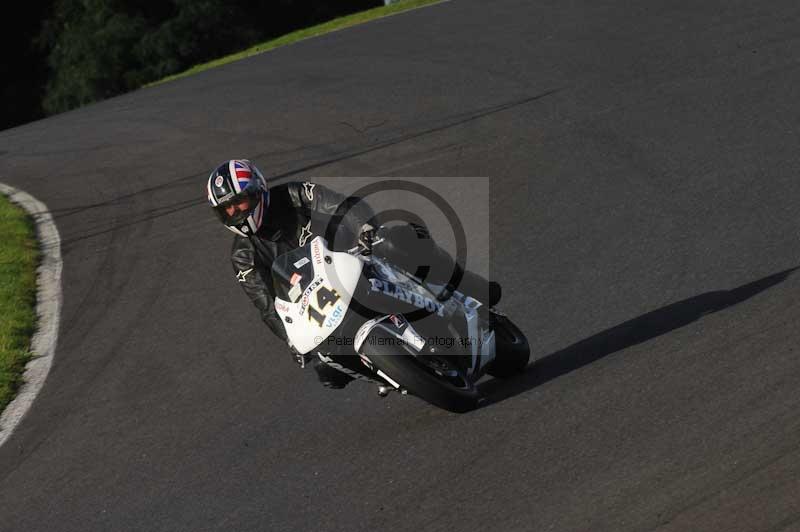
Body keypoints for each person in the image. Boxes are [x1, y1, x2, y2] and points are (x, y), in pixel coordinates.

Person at [206, 159, 500, 388]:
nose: (236, 213)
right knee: (326, 371)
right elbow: (268, 306)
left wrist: (365, 228)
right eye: (227, 209)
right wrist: (292, 341)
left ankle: (466, 282)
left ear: (258, 191)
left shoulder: (294, 194)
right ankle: (395, 376)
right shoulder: (242, 257)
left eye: (239, 202)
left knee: (400, 239)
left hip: (357, 258)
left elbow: (342, 205)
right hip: (323, 305)